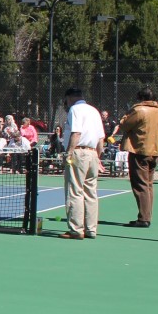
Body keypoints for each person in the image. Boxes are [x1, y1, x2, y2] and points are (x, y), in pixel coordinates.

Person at [111, 87, 158, 228]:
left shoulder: (138, 110)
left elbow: (124, 125)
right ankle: (146, 216)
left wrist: (125, 116)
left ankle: (143, 219)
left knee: (140, 185)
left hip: (139, 150)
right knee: (148, 185)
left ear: (141, 98)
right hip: (154, 151)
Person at [59, 87, 105, 240]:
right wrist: (98, 158)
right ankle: (91, 229)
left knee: (75, 191)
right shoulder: (94, 111)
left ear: (69, 98)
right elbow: (100, 138)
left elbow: (76, 132)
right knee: (91, 192)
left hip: (79, 152)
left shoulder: (75, 109)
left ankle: (76, 229)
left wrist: (69, 153)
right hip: (92, 153)